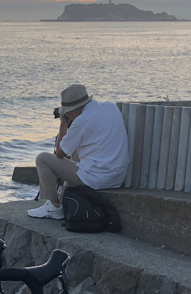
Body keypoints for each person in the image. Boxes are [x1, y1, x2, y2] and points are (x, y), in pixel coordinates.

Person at [28, 84, 130, 220]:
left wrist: (63, 123)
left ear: (73, 110)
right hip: (118, 177)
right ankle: (63, 193)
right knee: (78, 147)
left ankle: (54, 206)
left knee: (42, 159)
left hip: (97, 179)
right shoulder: (110, 107)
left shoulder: (81, 121)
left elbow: (59, 153)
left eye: (67, 112)